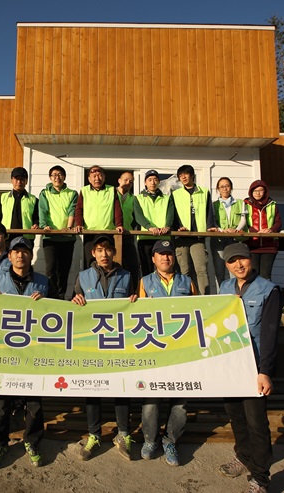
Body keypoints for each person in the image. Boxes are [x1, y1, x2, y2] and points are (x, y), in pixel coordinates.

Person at [217, 242, 281, 493]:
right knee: (236, 417)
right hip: (230, 365)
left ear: (251, 259)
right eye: (232, 261)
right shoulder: (224, 288)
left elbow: (270, 334)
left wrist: (265, 371)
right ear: (226, 265)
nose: (238, 265)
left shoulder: (268, 290)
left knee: (257, 423)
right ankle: (243, 457)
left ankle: (261, 477)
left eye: (242, 259)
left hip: (254, 367)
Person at [71, 234, 138, 461]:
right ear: (93, 253)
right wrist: (75, 300)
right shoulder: (83, 276)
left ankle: (123, 434)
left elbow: (135, 305)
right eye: (99, 250)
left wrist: (135, 301)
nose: (104, 254)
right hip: (92, 342)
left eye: (108, 249)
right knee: (93, 389)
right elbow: (71, 303)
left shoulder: (127, 276)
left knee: (122, 388)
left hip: (119, 341)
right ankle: (94, 434)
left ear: (114, 252)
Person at [0, 236, 49, 469]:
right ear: (9, 256)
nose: (20, 255)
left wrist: (47, 302)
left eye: (25, 251)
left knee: (34, 401)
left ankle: (32, 442)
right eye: (16, 251)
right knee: (1, 402)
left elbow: (59, 312)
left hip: (33, 351)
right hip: (4, 350)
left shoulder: (43, 282)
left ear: (31, 255)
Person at [138, 239, 195, 467]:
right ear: (153, 258)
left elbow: (199, 312)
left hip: (182, 351)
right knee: (151, 399)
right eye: (160, 254)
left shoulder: (187, 282)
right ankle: (150, 440)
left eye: (169, 253)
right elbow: (136, 316)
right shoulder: (144, 282)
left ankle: (170, 440)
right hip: (155, 350)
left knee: (180, 402)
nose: (165, 257)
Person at [171, 164, 217, 295]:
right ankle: (183, 297)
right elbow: (173, 214)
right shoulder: (175, 194)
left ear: (192, 175)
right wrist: (177, 228)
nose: (183, 177)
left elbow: (209, 212)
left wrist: (210, 226)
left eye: (185, 174)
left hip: (198, 237)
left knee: (201, 270)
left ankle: (204, 297)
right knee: (184, 270)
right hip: (181, 237)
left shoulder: (204, 192)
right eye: (180, 175)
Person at [38, 165, 78, 299]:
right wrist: (44, 226)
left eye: (60, 174)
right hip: (50, 237)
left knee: (64, 270)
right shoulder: (45, 193)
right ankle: (51, 296)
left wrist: (69, 227)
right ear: (50, 178)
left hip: (67, 238)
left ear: (64, 177)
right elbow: (43, 210)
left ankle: (61, 296)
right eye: (54, 175)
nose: (57, 177)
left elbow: (72, 210)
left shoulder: (72, 193)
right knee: (51, 269)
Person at [73, 165, 124, 266]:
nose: (97, 178)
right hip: (89, 232)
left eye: (100, 176)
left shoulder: (111, 190)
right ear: (89, 179)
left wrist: (119, 224)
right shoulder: (84, 191)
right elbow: (79, 209)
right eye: (94, 176)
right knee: (90, 261)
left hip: (107, 231)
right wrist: (79, 224)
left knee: (107, 261)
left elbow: (117, 208)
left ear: (104, 177)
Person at [133, 169, 174, 277]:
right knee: (146, 268)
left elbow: (170, 214)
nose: (153, 182)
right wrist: (149, 227)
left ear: (159, 182)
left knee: (164, 268)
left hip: (163, 237)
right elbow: (138, 216)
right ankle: (146, 288)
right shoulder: (138, 198)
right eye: (150, 180)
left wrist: (167, 226)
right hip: (145, 237)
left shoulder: (167, 198)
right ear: (145, 182)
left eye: (155, 179)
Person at [211, 177, 247, 286]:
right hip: (219, 239)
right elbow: (213, 222)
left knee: (235, 270)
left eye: (227, 186)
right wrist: (222, 230)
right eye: (222, 187)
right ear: (218, 189)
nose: (225, 189)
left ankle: (236, 292)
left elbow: (243, 220)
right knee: (219, 271)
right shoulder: (214, 204)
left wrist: (236, 230)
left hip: (235, 239)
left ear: (231, 187)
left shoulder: (240, 203)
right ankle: (222, 293)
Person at [244, 180, 282, 281]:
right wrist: (255, 232)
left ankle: (266, 292)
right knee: (253, 275)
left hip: (269, 245)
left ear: (265, 192)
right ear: (251, 192)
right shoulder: (246, 204)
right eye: (255, 191)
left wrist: (270, 230)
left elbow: (278, 222)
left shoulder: (272, 204)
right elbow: (244, 222)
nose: (258, 193)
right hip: (252, 244)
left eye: (260, 190)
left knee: (265, 276)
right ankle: (253, 292)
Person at [0, 167, 39, 244]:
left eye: (22, 179)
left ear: (26, 181)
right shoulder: (3, 198)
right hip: (6, 238)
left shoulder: (33, 199)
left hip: (26, 238)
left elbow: (36, 217)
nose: (19, 182)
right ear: (12, 180)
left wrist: (36, 224)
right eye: (16, 179)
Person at [116, 170, 141, 283]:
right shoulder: (110, 194)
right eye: (125, 180)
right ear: (119, 180)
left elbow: (136, 217)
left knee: (132, 266)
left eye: (131, 182)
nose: (128, 183)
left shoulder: (133, 198)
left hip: (127, 235)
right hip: (112, 234)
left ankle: (133, 290)